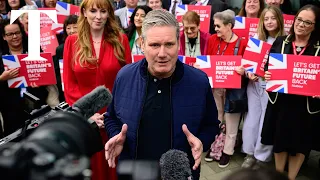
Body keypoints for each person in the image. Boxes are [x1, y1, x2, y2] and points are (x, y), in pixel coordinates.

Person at [104, 9, 220, 180]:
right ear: (142, 44)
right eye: (155, 45)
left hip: (179, 174)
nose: (162, 54)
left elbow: (211, 125)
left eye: (169, 44)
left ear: (178, 44)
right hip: (133, 173)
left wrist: (201, 141)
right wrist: (116, 135)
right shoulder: (124, 76)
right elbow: (111, 117)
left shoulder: (199, 81)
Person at [62, 0, 132, 179]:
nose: (98, 16)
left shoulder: (120, 39)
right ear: (84, 12)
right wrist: (86, 113)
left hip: (115, 117)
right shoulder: (72, 41)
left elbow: (128, 80)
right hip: (85, 119)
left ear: (109, 13)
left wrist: (113, 114)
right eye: (93, 11)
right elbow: (69, 84)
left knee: (115, 168)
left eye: (103, 11)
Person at [261, 4, 320, 180]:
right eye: (299, 20)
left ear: (315, 27)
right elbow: (267, 67)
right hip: (281, 102)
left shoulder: (318, 48)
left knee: (300, 145)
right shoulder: (281, 41)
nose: (301, 25)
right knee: (280, 142)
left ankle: (292, 177)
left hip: (305, 106)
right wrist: (267, 73)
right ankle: (279, 176)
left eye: (307, 22)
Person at [241, 5, 285, 169]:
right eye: (266, 19)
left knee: (266, 121)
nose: (269, 22)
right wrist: (248, 73)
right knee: (252, 119)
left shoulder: (285, 41)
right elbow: (247, 65)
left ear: (279, 20)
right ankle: (249, 153)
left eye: (273, 18)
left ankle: (262, 157)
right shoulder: (257, 38)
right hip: (254, 85)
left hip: (272, 88)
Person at [205, 9, 248, 168]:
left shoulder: (242, 43)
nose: (215, 29)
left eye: (218, 26)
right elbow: (208, 60)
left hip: (234, 90)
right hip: (216, 87)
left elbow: (249, 67)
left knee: (231, 121)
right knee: (216, 119)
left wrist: (244, 71)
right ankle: (215, 146)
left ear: (229, 25)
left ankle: (227, 152)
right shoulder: (212, 40)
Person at [0, 19, 48, 136]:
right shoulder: (1, 55)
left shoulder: (34, 49)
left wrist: (40, 80)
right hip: (10, 107)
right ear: (4, 37)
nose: (15, 36)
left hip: (36, 104)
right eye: (10, 34)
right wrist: (2, 78)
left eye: (17, 32)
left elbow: (45, 72)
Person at [54, 15, 78, 102]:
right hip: (67, 91)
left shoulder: (89, 45)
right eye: (68, 28)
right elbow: (57, 72)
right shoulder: (60, 49)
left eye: (75, 27)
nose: (72, 31)